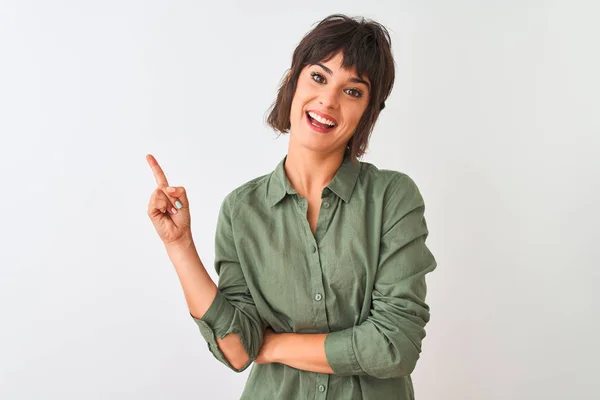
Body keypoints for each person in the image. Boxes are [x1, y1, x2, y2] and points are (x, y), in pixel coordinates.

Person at [146, 14, 437, 400]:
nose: (328, 101)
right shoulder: (241, 210)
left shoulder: (393, 198)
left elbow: (394, 345)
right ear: (293, 81)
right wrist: (179, 247)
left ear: (369, 112)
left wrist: (272, 346)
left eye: (353, 91)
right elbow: (236, 350)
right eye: (318, 77)